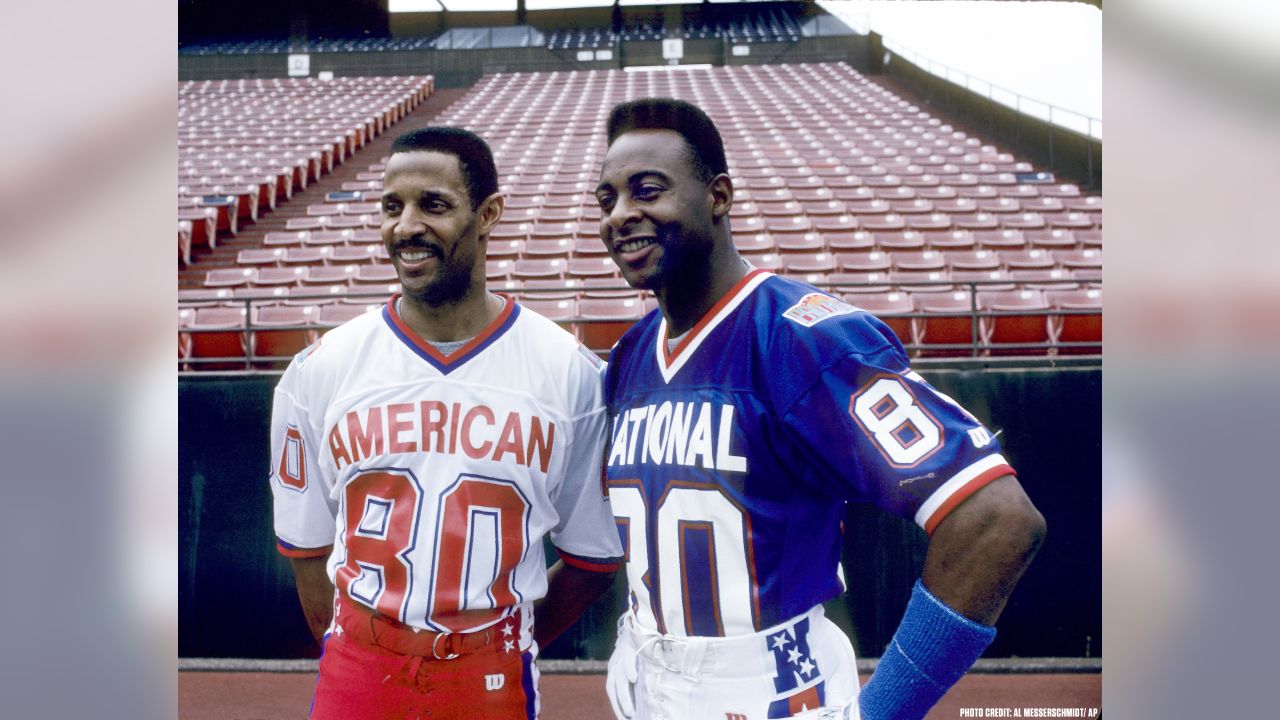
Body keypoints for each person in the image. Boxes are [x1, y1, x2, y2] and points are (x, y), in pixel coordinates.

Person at [594, 98, 1046, 720]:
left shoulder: (808, 339)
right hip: (645, 680)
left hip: (767, 691)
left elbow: (997, 521)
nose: (622, 215)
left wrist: (884, 710)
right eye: (607, 199)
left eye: (648, 190)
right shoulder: (630, 356)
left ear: (718, 196)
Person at [269, 126, 623, 720]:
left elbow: (591, 558)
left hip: (491, 669)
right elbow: (308, 555)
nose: (406, 226)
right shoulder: (320, 369)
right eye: (391, 207)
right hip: (359, 663)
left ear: (489, 214)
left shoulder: (569, 372)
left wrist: (499, 642)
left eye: (433, 205)